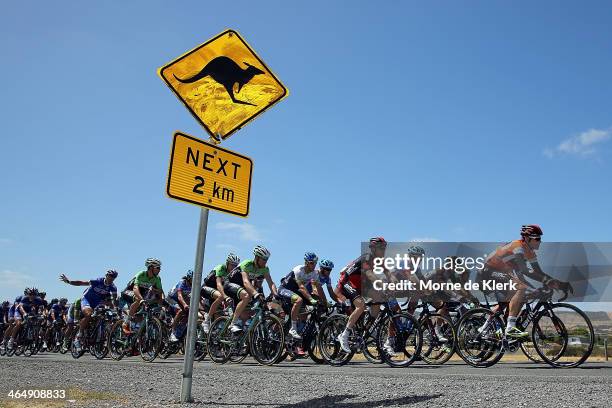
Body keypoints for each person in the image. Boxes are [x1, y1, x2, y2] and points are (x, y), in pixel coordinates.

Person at [480, 225, 567, 338]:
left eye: (540, 238)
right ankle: (510, 328)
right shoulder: (518, 246)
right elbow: (524, 270)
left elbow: (538, 272)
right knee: (521, 288)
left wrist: (558, 283)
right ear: (527, 238)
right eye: (537, 238)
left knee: (520, 294)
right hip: (489, 271)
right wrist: (548, 281)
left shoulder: (530, 252)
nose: (540, 241)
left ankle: (486, 328)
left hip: (505, 272)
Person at [335, 237, 388, 353]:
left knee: (378, 301)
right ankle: (344, 335)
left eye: (384, 247)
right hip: (347, 282)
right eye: (381, 248)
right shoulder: (366, 258)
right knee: (361, 305)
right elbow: (370, 275)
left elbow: (389, 274)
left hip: (361, 285)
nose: (384, 250)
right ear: (373, 248)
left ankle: (365, 331)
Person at [60, 269, 119, 351]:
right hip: (86, 300)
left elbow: (114, 301)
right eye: (110, 276)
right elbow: (81, 283)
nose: (112, 278)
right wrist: (69, 281)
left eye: (114, 277)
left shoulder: (113, 287)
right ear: (106, 275)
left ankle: (93, 334)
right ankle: (78, 336)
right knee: (89, 314)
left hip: (96, 303)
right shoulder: (97, 281)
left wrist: (116, 310)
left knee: (102, 316)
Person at [225, 245, 278, 333]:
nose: (265, 261)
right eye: (263, 259)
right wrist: (256, 294)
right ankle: (233, 324)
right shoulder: (247, 264)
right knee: (247, 295)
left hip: (241, 288)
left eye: (267, 259)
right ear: (257, 257)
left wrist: (276, 294)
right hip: (229, 284)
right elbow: (246, 282)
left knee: (246, 314)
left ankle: (241, 337)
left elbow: (270, 283)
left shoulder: (264, 269)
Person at [279, 252, 324, 342]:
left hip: (297, 292)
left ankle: (299, 329)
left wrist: (322, 301)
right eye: (312, 263)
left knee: (317, 303)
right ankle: (293, 328)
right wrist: (310, 299)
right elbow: (302, 287)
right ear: (306, 263)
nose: (314, 265)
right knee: (299, 300)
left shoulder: (314, 273)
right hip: (284, 289)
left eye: (315, 263)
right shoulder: (298, 270)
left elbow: (317, 288)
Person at [122, 258, 164, 334]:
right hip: (129, 291)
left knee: (145, 310)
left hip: (142, 293)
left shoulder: (157, 278)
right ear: (151, 268)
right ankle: (126, 322)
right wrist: (141, 299)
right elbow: (135, 288)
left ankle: (137, 329)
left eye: (160, 268)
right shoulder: (141, 274)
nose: (159, 270)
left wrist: (161, 305)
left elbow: (160, 292)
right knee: (138, 300)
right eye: (158, 268)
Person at [201, 253, 240, 333]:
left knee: (219, 314)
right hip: (206, 288)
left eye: (235, 265)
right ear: (227, 263)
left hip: (217, 292)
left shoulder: (233, 273)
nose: (234, 267)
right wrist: (225, 296)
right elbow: (219, 284)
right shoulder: (221, 268)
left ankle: (215, 332)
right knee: (222, 296)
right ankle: (206, 320)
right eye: (232, 265)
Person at [167, 270, 193, 342]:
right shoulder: (182, 282)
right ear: (188, 278)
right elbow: (179, 296)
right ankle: (172, 332)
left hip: (180, 299)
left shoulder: (193, 285)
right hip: (172, 298)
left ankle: (180, 329)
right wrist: (184, 305)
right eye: (192, 279)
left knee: (189, 314)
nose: (193, 281)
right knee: (180, 310)